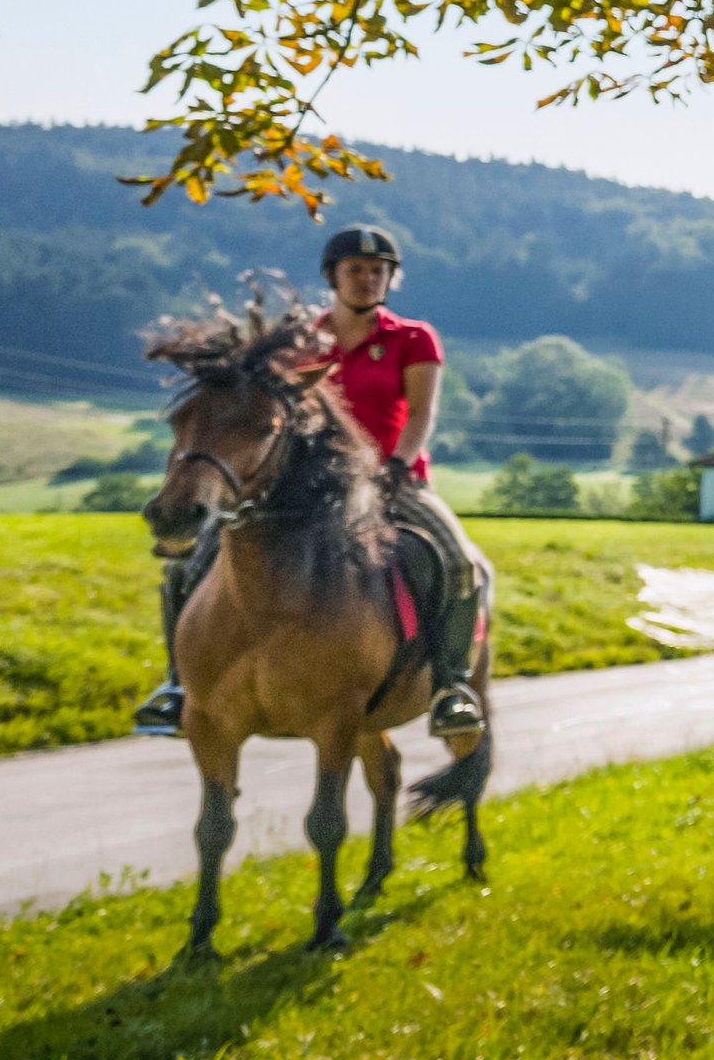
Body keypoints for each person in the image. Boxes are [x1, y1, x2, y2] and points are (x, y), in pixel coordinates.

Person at [135, 223, 488, 741]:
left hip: (398, 480)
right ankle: (177, 686)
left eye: (378, 271)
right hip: (315, 487)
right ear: (333, 277)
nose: (368, 279)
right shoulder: (303, 344)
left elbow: (420, 414)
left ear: (390, 278)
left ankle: (450, 687)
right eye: (356, 270)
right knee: (186, 566)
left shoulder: (413, 339)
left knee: (459, 562)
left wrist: (394, 466)